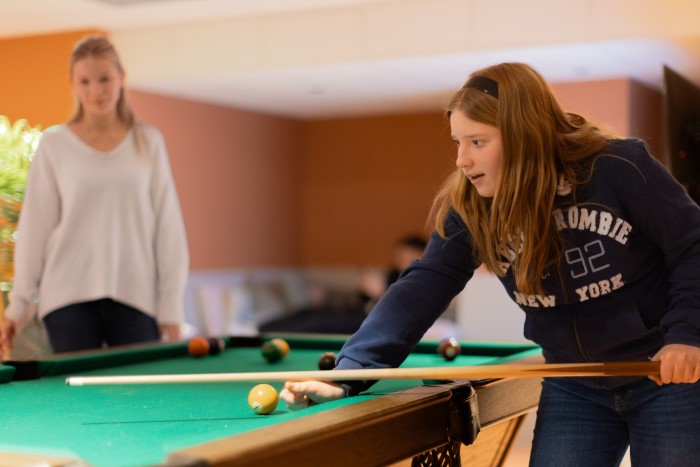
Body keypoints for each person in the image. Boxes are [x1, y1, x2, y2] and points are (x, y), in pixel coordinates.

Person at [280, 63, 700, 466]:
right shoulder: (471, 206)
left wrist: (686, 335)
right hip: (575, 384)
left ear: (524, 136)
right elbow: (424, 285)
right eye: (457, 142)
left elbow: (692, 244)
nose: (462, 160)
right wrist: (350, 371)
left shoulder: (617, 167)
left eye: (477, 142)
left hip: (664, 376)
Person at [0, 36, 189, 354]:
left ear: (121, 77)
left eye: (104, 79)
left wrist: (171, 309)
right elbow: (34, 230)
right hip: (66, 300)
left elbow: (169, 230)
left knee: (140, 399)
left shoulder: (149, 142)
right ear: (72, 84)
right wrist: (18, 307)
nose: (96, 90)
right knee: (76, 400)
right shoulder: (54, 145)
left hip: (136, 298)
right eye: (85, 81)